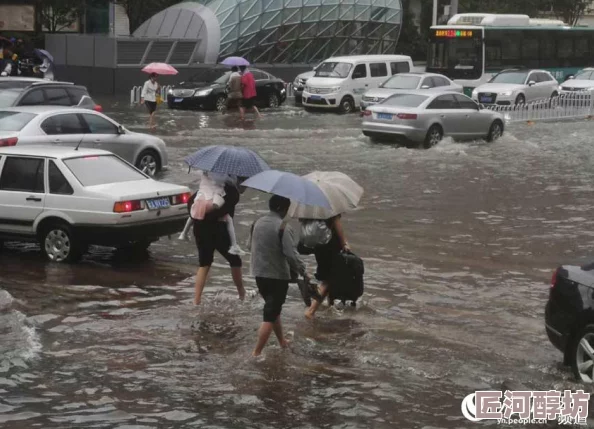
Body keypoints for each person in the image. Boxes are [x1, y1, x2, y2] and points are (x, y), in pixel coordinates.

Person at [250, 195, 309, 357]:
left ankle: (282, 341)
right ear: (281, 209)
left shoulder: (257, 223)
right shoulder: (283, 227)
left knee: (273, 309)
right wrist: (303, 270)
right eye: (287, 209)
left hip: (258, 273)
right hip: (277, 276)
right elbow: (291, 255)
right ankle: (256, 353)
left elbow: (250, 247)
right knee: (269, 314)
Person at [191, 178, 246, 306]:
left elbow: (192, 205)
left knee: (204, 264)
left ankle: (196, 301)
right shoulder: (232, 192)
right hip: (218, 229)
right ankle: (242, 294)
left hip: (199, 227)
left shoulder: (205, 188)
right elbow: (225, 211)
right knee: (235, 260)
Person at [179, 171, 244, 255]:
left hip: (200, 198)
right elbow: (227, 184)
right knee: (229, 219)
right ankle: (234, 245)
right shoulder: (223, 178)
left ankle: (184, 233)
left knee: (194, 213)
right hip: (212, 199)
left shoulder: (205, 173)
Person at [303, 215, 350, 319]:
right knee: (329, 279)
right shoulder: (330, 206)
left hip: (318, 244)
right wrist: (344, 243)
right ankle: (311, 310)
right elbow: (337, 224)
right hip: (331, 244)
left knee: (327, 275)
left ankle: (330, 305)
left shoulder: (311, 207)